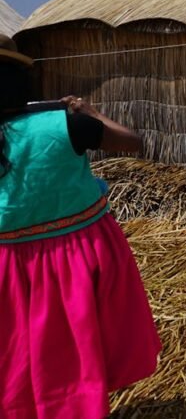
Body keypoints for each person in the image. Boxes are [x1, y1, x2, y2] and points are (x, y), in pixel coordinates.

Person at [0, 34, 161, 418]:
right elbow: (133, 142)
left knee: (13, 361)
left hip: (6, 269)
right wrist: (90, 113)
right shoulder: (65, 126)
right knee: (72, 359)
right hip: (73, 261)